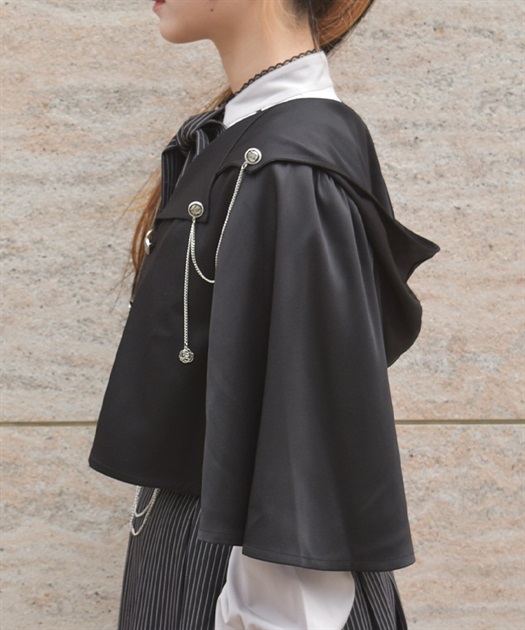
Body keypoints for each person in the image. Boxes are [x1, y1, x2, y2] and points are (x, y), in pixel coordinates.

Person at [89, 0, 440, 628]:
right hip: (198, 561)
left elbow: (304, 442)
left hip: (237, 581)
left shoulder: (290, 161)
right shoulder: (249, 136)